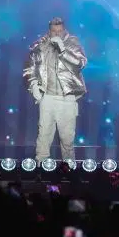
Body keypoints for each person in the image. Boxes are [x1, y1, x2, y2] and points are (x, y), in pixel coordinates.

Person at [25, 16, 88, 161]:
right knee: (43, 136)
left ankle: (68, 168)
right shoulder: (40, 45)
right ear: (50, 31)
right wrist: (33, 84)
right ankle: (41, 167)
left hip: (67, 98)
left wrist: (63, 50)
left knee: (67, 139)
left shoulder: (73, 42)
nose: (57, 34)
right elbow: (30, 67)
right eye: (54, 31)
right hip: (47, 97)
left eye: (60, 31)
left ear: (64, 29)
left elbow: (80, 64)